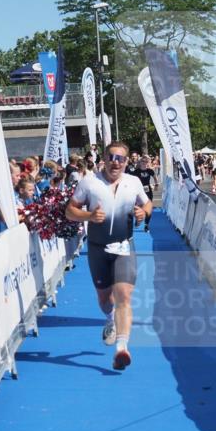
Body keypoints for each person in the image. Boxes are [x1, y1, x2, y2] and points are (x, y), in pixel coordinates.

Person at [65, 141, 152, 371]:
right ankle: (110, 316)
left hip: (124, 246)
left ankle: (122, 349)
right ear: (104, 158)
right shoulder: (89, 183)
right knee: (105, 299)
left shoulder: (133, 182)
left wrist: (144, 212)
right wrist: (89, 216)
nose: (116, 162)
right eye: (112, 157)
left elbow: (148, 203)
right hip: (97, 248)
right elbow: (69, 211)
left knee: (124, 295)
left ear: (126, 162)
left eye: (121, 158)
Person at [127, 154, 158, 232]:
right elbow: (131, 180)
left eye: (146, 162)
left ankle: (146, 225)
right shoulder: (136, 171)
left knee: (149, 208)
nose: (144, 163)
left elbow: (155, 177)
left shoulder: (149, 170)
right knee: (138, 208)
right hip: (138, 192)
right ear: (140, 163)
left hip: (148, 191)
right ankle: (138, 219)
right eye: (143, 161)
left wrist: (156, 184)